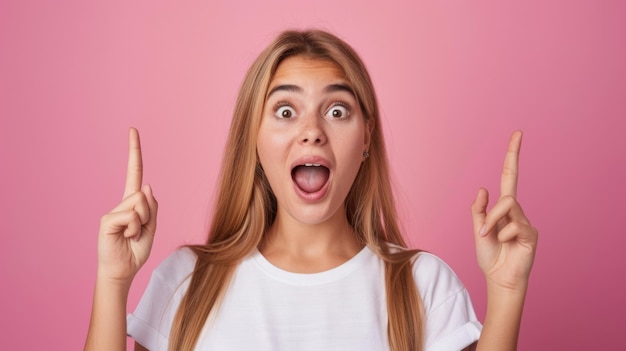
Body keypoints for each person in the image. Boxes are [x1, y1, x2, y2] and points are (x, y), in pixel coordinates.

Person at [85, 30, 538, 351]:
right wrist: (112, 281)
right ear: (254, 140)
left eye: (338, 110)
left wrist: (506, 290)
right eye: (285, 111)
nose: (312, 131)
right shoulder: (185, 281)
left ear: (366, 140)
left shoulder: (423, 286)